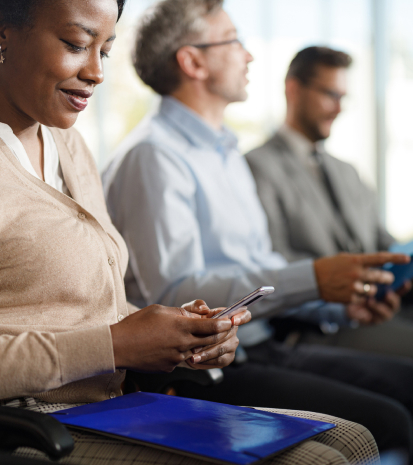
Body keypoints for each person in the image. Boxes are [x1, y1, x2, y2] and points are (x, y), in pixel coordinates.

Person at [0, 1, 379, 465]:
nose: (97, 72)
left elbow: (97, 307)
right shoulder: (149, 156)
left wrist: (179, 335)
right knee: (323, 460)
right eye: (77, 45)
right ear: (4, 35)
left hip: (109, 402)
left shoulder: (69, 144)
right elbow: (103, 335)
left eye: (106, 50)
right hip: (32, 419)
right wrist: (116, 344)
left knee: (355, 440)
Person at [103, 0, 413, 460]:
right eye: (234, 40)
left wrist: (338, 306)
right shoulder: (154, 157)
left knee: (406, 385)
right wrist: (313, 279)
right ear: (193, 61)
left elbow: (261, 267)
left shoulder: (226, 153)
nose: (249, 55)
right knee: (389, 421)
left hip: (260, 344)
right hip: (206, 370)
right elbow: (174, 292)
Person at [245, 46, 413, 358]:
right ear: (293, 89)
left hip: (376, 309)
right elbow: (271, 262)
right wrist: (346, 301)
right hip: (316, 327)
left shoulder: (346, 171)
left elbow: (381, 241)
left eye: (343, 97)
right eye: (329, 95)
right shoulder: (256, 167)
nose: (338, 108)